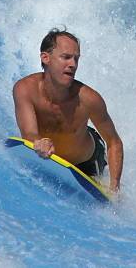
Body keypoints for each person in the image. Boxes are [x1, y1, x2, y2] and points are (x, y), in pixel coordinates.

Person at [12, 29, 123, 193]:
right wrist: (39, 142)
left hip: (88, 162)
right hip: (51, 158)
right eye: (66, 57)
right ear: (45, 58)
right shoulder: (25, 89)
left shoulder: (89, 99)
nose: (73, 64)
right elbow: (29, 134)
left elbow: (114, 142)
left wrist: (114, 188)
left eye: (76, 59)